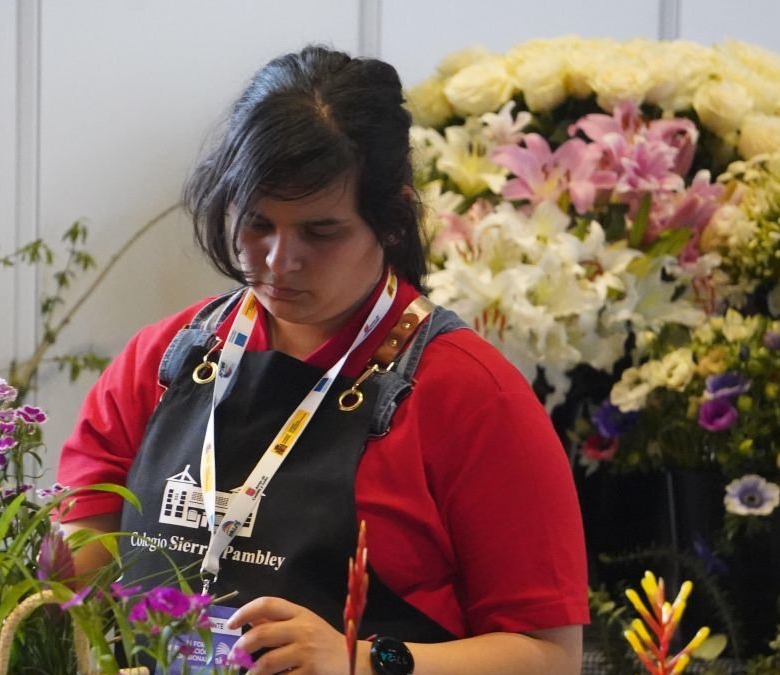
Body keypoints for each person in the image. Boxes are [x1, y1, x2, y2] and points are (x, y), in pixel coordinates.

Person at [56, 45, 588, 674]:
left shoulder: (469, 394)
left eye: (321, 231)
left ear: (391, 220)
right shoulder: (163, 360)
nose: (279, 261)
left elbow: (550, 657)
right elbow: (70, 576)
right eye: (256, 222)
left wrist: (363, 662)